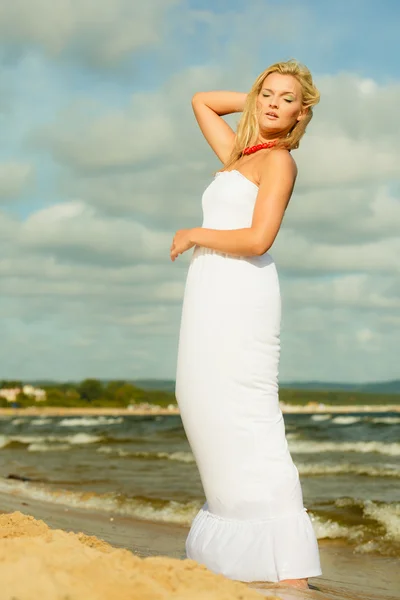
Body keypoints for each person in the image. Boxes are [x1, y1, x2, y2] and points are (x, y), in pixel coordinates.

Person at [171, 59, 321, 590]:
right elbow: (201, 101)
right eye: (268, 95)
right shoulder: (243, 153)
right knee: (199, 399)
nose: (274, 104)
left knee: (247, 410)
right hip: (210, 290)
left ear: (302, 113)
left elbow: (259, 240)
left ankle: (288, 571)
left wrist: (194, 233)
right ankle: (241, 553)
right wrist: (260, 96)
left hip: (242, 291)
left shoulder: (276, 161)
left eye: (288, 99)